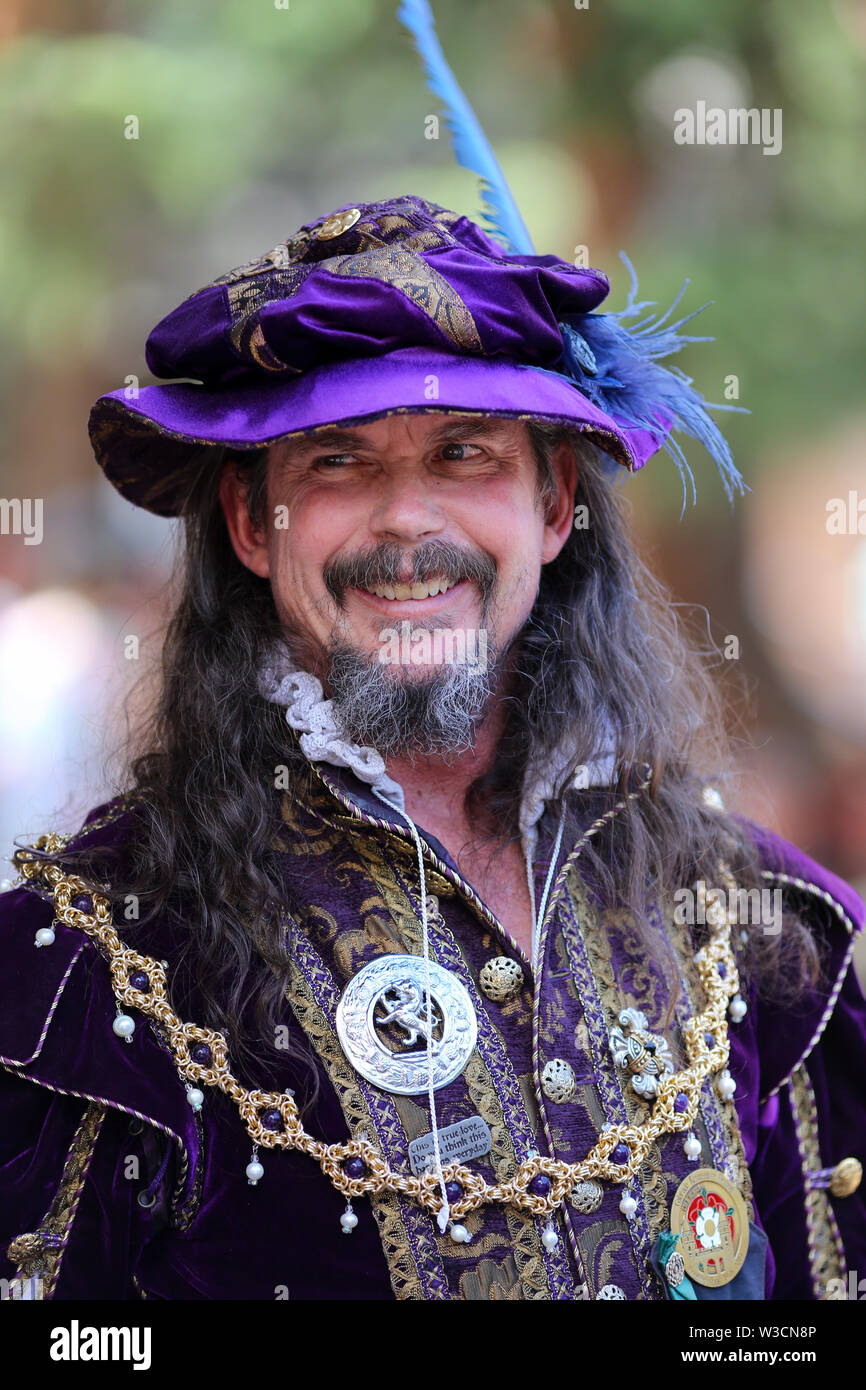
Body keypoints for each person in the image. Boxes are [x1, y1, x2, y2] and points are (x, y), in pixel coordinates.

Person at [1, 5, 864, 1303]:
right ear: (249, 521)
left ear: (554, 508)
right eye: (337, 465)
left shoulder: (783, 943)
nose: (407, 521)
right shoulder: (75, 976)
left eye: (464, 455)